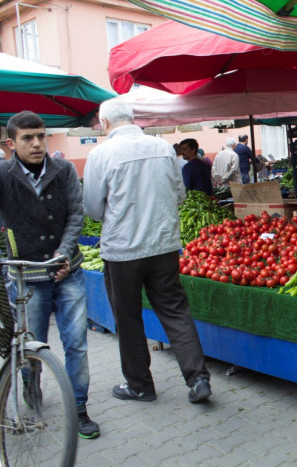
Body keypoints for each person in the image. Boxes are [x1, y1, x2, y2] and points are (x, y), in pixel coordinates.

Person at [83, 98, 211, 405]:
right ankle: (198, 378)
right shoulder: (163, 148)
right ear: (132, 118)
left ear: (105, 124)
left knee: (127, 317)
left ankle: (140, 385)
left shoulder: (100, 154)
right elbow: (179, 195)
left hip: (123, 250)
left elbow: (92, 208)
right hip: (164, 245)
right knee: (175, 310)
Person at [0, 111, 100, 439]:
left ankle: (78, 407)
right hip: (26, 275)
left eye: (41, 136)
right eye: (27, 138)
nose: (37, 144)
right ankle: (30, 387)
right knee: (33, 344)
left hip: (68, 271)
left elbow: (76, 213)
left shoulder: (63, 169)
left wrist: (64, 251)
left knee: (76, 343)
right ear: (11, 143)